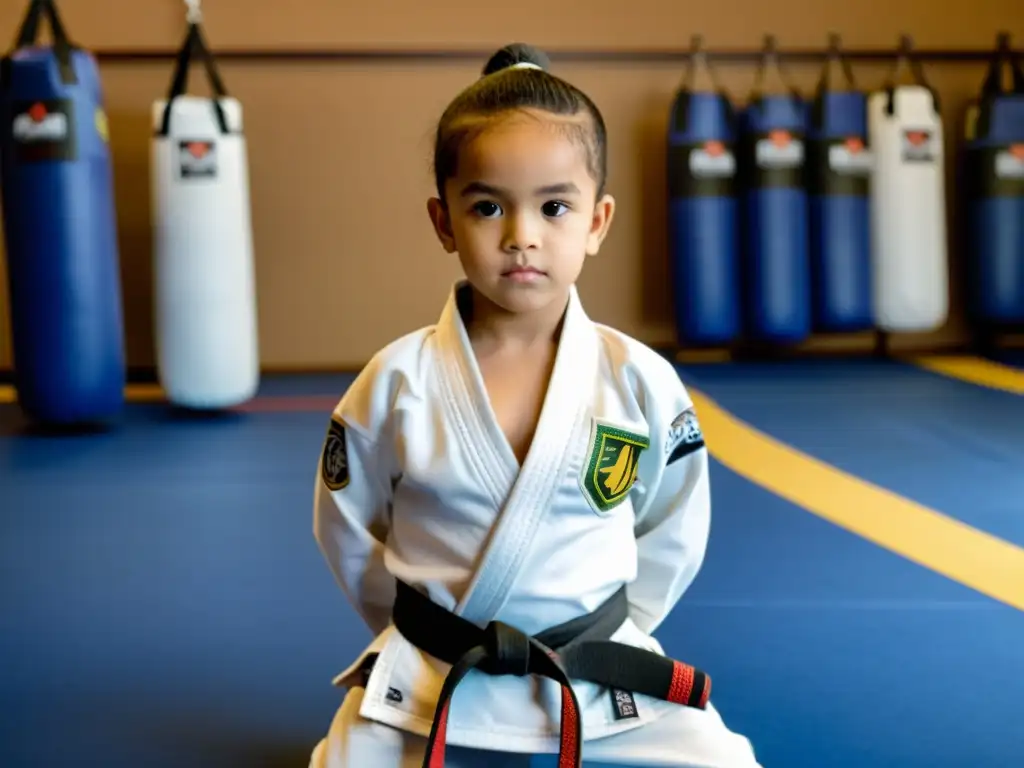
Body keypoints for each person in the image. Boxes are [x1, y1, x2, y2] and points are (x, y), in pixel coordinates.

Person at [309, 42, 761, 768]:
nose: (522, 236)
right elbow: (348, 527)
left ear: (597, 221)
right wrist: (416, 632)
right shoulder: (396, 381)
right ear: (443, 221)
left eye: (554, 206)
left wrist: (616, 628)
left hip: (590, 671)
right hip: (437, 674)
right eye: (487, 206)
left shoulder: (638, 380)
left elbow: (673, 521)